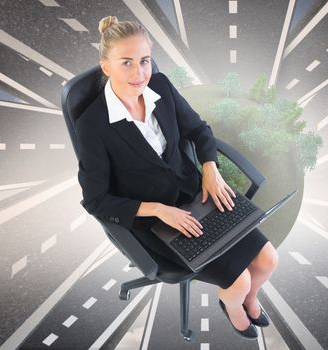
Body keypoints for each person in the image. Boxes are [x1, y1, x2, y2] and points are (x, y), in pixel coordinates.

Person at [76, 15, 279, 339]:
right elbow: (96, 200)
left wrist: (210, 169)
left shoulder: (161, 87)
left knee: (268, 260)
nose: (139, 73)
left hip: (195, 194)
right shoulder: (92, 126)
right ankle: (234, 303)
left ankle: (249, 300)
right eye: (126, 63)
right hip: (156, 223)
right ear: (106, 66)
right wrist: (157, 209)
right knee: (238, 280)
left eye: (144, 61)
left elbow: (198, 130)